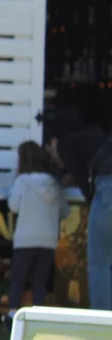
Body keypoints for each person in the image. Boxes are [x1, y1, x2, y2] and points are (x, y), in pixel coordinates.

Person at [45, 111, 112, 310]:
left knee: (99, 263)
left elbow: (84, 180)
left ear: (54, 142)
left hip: (108, 188)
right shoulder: (97, 138)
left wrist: (93, 201)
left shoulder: (65, 145)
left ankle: (104, 324)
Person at [7, 141, 68, 313]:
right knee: (39, 283)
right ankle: (39, 318)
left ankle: (12, 317)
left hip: (25, 239)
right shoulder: (54, 184)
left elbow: (13, 206)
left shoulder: (22, 181)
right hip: (48, 241)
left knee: (18, 281)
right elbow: (65, 212)